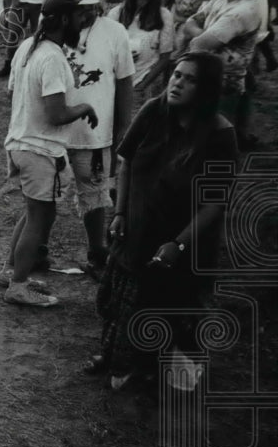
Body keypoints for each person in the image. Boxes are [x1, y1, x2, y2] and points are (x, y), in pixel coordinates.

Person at [88, 53, 238, 391]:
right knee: (122, 303)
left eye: (190, 79)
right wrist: (120, 213)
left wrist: (179, 244)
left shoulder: (219, 134)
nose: (177, 83)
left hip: (183, 242)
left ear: (206, 90)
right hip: (137, 231)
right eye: (176, 75)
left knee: (169, 308)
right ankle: (116, 358)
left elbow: (215, 203)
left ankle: (153, 372)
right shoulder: (154, 111)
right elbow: (126, 163)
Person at [0, 0, 100, 307]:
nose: (84, 21)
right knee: (40, 218)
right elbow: (56, 114)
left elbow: (12, 91)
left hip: (21, 143)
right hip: (39, 150)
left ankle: (11, 271)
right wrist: (84, 107)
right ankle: (17, 286)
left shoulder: (28, 46)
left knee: (34, 213)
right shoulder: (53, 57)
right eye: (80, 15)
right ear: (65, 19)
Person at [58, 0, 136, 278]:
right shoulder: (55, 28)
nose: (89, 3)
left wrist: (122, 131)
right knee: (44, 197)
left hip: (95, 133)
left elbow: (125, 84)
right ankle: (34, 251)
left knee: (95, 196)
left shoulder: (115, 32)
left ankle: (97, 252)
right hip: (55, 131)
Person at [181, 0, 263, 150]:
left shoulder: (243, 11)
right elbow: (190, 23)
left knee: (214, 144)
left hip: (223, 86)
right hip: (207, 78)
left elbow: (197, 44)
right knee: (198, 139)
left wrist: (200, 37)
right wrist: (204, 35)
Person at [109, 0, 176, 103]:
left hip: (143, 82)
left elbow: (165, 57)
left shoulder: (164, 15)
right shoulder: (116, 13)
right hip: (115, 81)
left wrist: (142, 85)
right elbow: (106, 48)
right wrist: (122, 56)